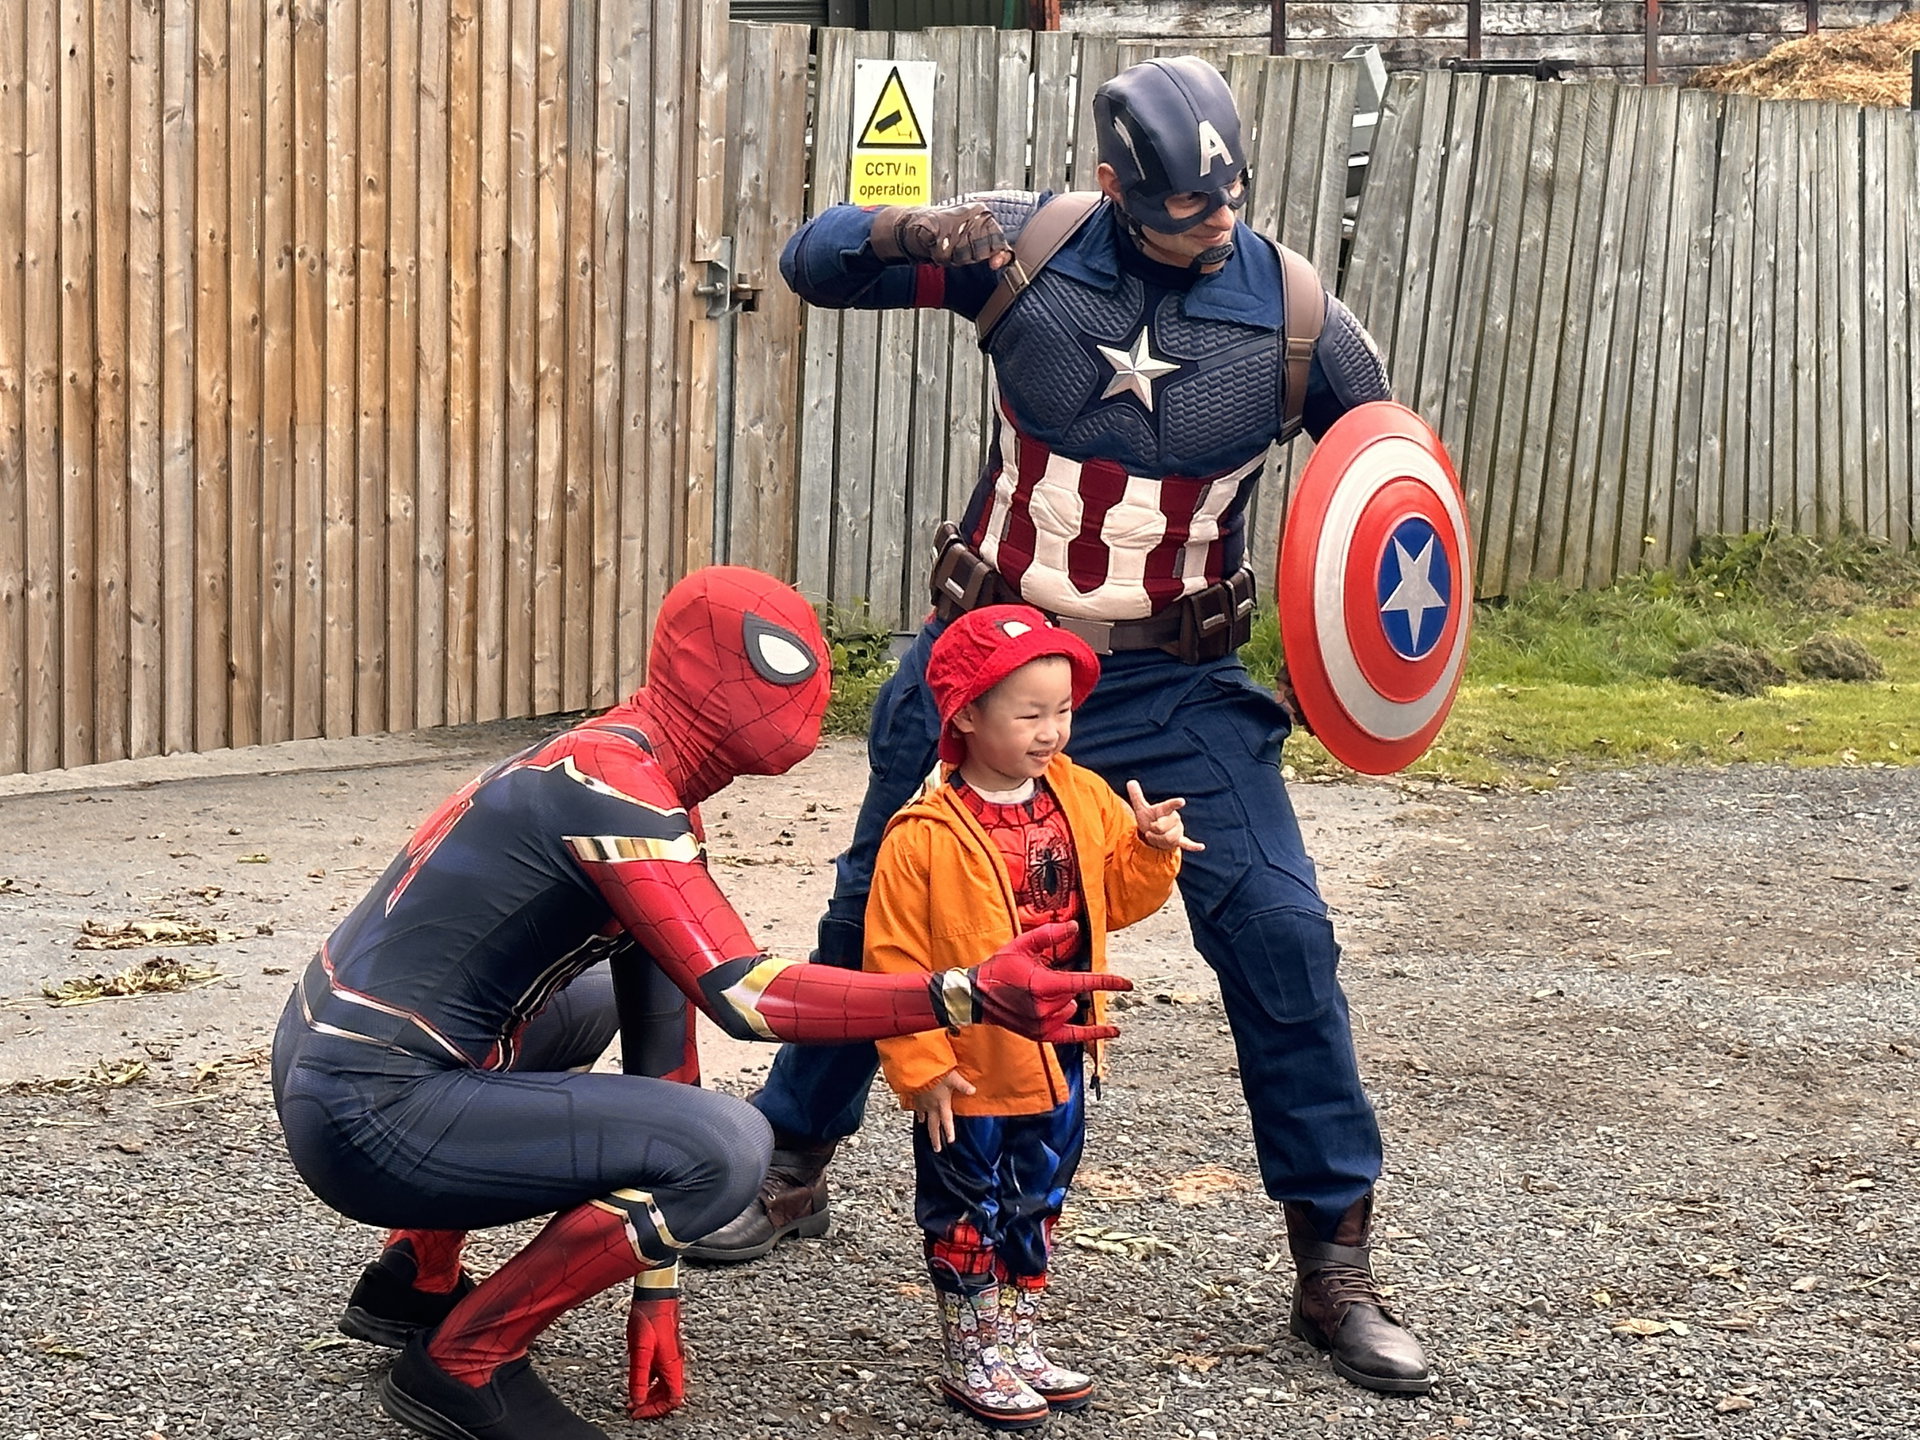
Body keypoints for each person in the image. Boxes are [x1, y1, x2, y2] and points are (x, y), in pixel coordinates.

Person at [688, 56, 1432, 1397]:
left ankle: (1335, 1259)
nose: (1214, 226)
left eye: (1228, 200)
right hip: (986, 658)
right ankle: (792, 1161)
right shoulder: (1022, 250)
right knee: (874, 907)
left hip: (1174, 687)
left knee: (1282, 932)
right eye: (1182, 209)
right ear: (1111, 186)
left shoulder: (1301, 322)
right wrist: (913, 229)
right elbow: (810, 263)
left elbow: (1393, 486)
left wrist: (1377, 659)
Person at [269, 566, 1129, 1440]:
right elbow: (743, 996)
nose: (803, 692)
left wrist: (657, 1287)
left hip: (334, 1063)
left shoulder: (613, 766)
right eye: (781, 664)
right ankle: (465, 1360)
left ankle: (414, 1277)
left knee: (594, 1003)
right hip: (366, 1112)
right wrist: (963, 994)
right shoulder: (618, 791)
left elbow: (665, 1047)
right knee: (733, 1146)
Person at [865, 605, 1194, 1427]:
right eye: (1030, 716)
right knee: (965, 1208)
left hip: (1062, 1053)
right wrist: (921, 1065)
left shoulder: (1080, 796)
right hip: (971, 1068)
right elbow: (893, 960)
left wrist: (1149, 849)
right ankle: (970, 1351)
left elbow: (1114, 899)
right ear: (966, 717)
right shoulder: (921, 835)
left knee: (1038, 1198)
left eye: (1064, 711)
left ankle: (1017, 1337)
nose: (1053, 732)